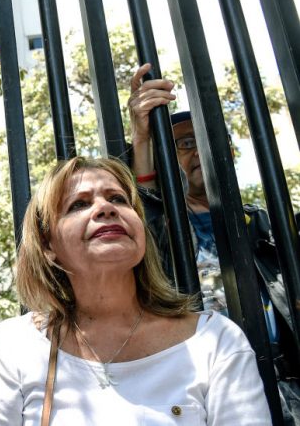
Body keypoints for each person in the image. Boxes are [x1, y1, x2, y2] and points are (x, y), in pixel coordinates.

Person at [0, 156, 270, 425]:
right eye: (79, 204)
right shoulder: (14, 345)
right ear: (48, 245)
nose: (105, 208)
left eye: (118, 198)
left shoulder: (216, 341)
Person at [128, 63, 299, 423]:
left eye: (206, 140)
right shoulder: (164, 228)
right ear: (162, 164)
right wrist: (142, 140)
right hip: (195, 388)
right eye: (186, 144)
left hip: (283, 387)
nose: (200, 151)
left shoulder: (266, 223)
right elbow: (142, 212)